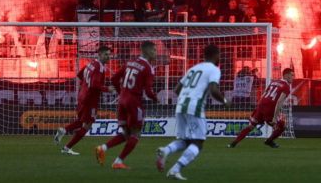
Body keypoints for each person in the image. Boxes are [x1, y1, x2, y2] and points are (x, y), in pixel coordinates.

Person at [156, 44, 229, 180]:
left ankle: (166, 150)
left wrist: (188, 96)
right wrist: (224, 101)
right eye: (219, 55)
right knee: (198, 142)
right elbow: (214, 90)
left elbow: (177, 89)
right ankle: (175, 170)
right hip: (194, 106)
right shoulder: (214, 69)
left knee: (186, 140)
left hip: (181, 105)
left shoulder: (194, 68)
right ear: (216, 55)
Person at [95, 40, 158, 169]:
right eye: (154, 50)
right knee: (136, 133)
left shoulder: (130, 62)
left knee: (127, 133)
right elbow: (148, 91)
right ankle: (118, 161)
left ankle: (103, 148)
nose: (156, 53)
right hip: (134, 102)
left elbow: (114, 79)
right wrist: (156, 99)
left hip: (122, 101)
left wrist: (122, 93)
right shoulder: (148, 68)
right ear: (147, 51)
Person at [54, 44, 112, 155]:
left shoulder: (91, 63)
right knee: (87, 125)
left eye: (109, 55)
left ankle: (64, 131)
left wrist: (84, 87)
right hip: (90, 100)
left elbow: (80, 75)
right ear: (99, 55)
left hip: (82, 96)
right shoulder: (99, 67)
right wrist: (107, 89)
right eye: (106, 55)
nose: (108, 57)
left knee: (81, 121)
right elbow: (94, 85)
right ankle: (67, 148)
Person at [228, 67, 295, 149]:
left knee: (251, 126)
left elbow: (264, 94)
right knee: (282, 126)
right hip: (270, 108)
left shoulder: (274, 82)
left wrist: (259, 107)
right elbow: (279, 102)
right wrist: (274, 117)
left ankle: (233, 144)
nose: (293, 78)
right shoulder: (286, 87)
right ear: (286, 75)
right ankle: (269, 141)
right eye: (292, 75)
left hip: (261, 105)